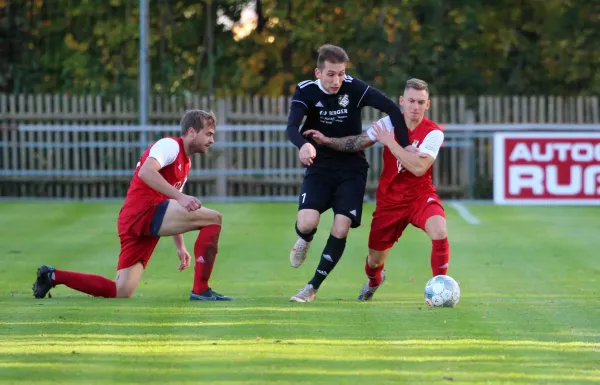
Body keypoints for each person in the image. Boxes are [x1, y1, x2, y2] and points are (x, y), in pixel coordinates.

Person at [32, 109, 233, 301]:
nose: (211, 140)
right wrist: (181, 198)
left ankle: (53, 276)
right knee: (214, 218)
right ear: (191, 132)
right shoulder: (170, 146)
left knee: (121, 291)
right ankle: (201, 290)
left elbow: (174, 205)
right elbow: (146, 172)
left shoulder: (185, 163)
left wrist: (180, 246)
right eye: (208, 134)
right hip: (145, 211)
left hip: (134, 219)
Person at [285, 44, 412, 303]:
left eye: (341, 74)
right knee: (307, 222)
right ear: (318, 72)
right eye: (331, 74)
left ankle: (311, 288)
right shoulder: (305, 91)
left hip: (352, 168)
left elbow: (391, 108)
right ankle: (304, 239)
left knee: (341, 228)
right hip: (319, 166)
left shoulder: (355, 87)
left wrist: (406, 144)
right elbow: (291, 127)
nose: (337, 80)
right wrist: (304, 144)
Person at [309, 78, 449, 301]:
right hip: (389, 202)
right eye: (411, 101)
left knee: (440, 230)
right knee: (374, 261)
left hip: (420, 196)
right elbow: (357, 142)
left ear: (428, 105)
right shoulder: (387, 124)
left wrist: (390, 142)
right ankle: (374, 280)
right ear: (401, 101)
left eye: (421, 102)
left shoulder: (433, 133)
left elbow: (419, 168)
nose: (415, 107)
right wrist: (327, 140)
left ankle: (440, 289)